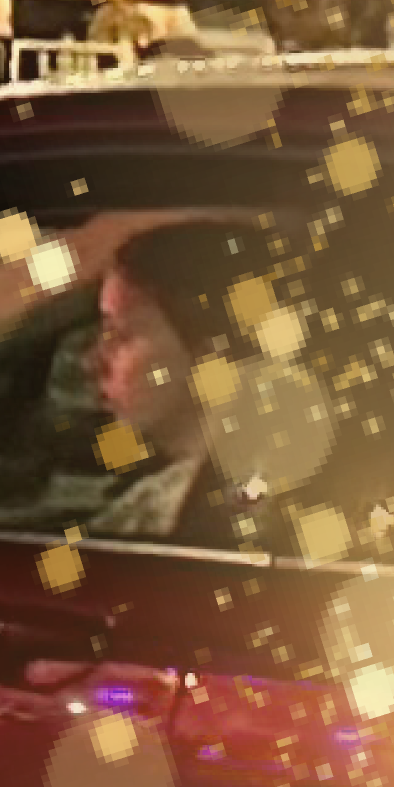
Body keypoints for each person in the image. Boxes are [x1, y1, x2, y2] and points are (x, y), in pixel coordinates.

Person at [74, 207, 309, 555]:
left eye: (121, 334)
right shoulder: (163, 502)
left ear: (211, 353)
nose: (91, 361)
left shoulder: (208, 526)